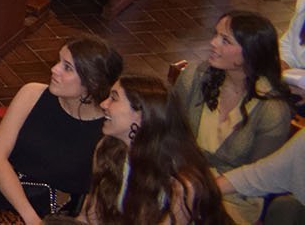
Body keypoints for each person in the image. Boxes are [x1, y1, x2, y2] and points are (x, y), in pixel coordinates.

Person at [0, 38, 120, 222]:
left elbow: (91, 201)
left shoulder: (105, 131)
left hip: (49, 213)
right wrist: (30, 218)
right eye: (59, 61)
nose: (54, 69)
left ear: (91, 83)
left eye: (67, 67)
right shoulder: (32, 94)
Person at [167, 12, 292, 225]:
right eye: (215, 35)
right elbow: (169, 130)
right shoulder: (195, 77)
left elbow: (258, 176)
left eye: (225, 40)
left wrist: (202, 188)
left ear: (250, 53)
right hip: (178, 175)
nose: (213, 43)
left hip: (232, 197)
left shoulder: (272, 111)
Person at [85, 76, 227, 225]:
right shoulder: (108, 148)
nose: (103, 104)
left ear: (141, 114)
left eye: (113, 98)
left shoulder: (182, 183)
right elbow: (92, 214)